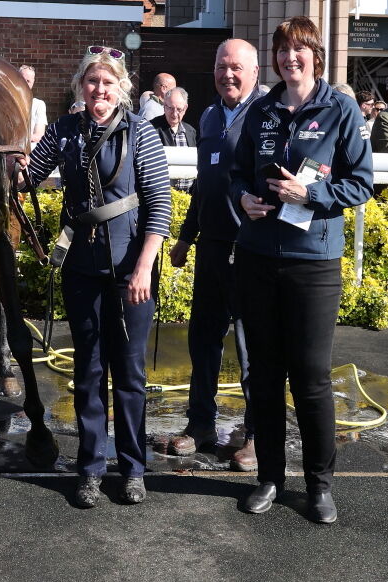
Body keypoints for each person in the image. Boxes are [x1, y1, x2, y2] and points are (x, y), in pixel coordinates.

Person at [230, 16, 373, 525]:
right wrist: (242, 197)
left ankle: (320, 485)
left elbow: (361, 183)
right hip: (257, 258)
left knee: (310, 378)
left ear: (315, 54)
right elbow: (234, 171)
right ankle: (270, 477)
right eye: (283, 51)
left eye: (299, 50)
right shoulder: (261, 110)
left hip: (313, 264)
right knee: (263, 376)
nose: (291, 59)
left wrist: (309, 194)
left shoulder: (340, 109)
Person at [24, 45, 171, 508]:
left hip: (131, 271)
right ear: (81, 87)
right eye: (92, 82)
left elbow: (159, 207)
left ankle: (132, 468)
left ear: (121, 87)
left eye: (107, 82)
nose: (99, 89)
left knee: (129, 373)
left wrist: (144, 267)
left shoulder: (141, 133)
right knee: (88, 373)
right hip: (82, 270)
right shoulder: (66, 130)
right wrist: (8, 153)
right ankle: (90, 468)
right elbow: (28, 175)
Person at [167, 39, 263, 470]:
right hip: (210, 248)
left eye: (237, 67)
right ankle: (201, 424)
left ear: (255, 72)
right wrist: (187, 237)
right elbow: (205, 187)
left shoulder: (268, 115)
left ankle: (256, 437)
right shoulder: (207, 116)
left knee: (251, 349)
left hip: (251, 250)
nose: (228, 74)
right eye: (222, 66)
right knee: (202, 341)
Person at [150, 86, 196, 192]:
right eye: (170, 108)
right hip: (161, 194)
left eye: (179, 109)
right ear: (164, 106)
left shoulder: (191, 131)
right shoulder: (151, 128)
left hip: (188, 197)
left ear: (186, 108)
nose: (175, 114)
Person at [19, 64, 47, 148]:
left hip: (30, 153)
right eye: (22, 79)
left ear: (33, 83)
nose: (25, 83)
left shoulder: (39, 105)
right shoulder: (7, 103)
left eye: (28, 81)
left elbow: (39, 135)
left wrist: (17, 140)